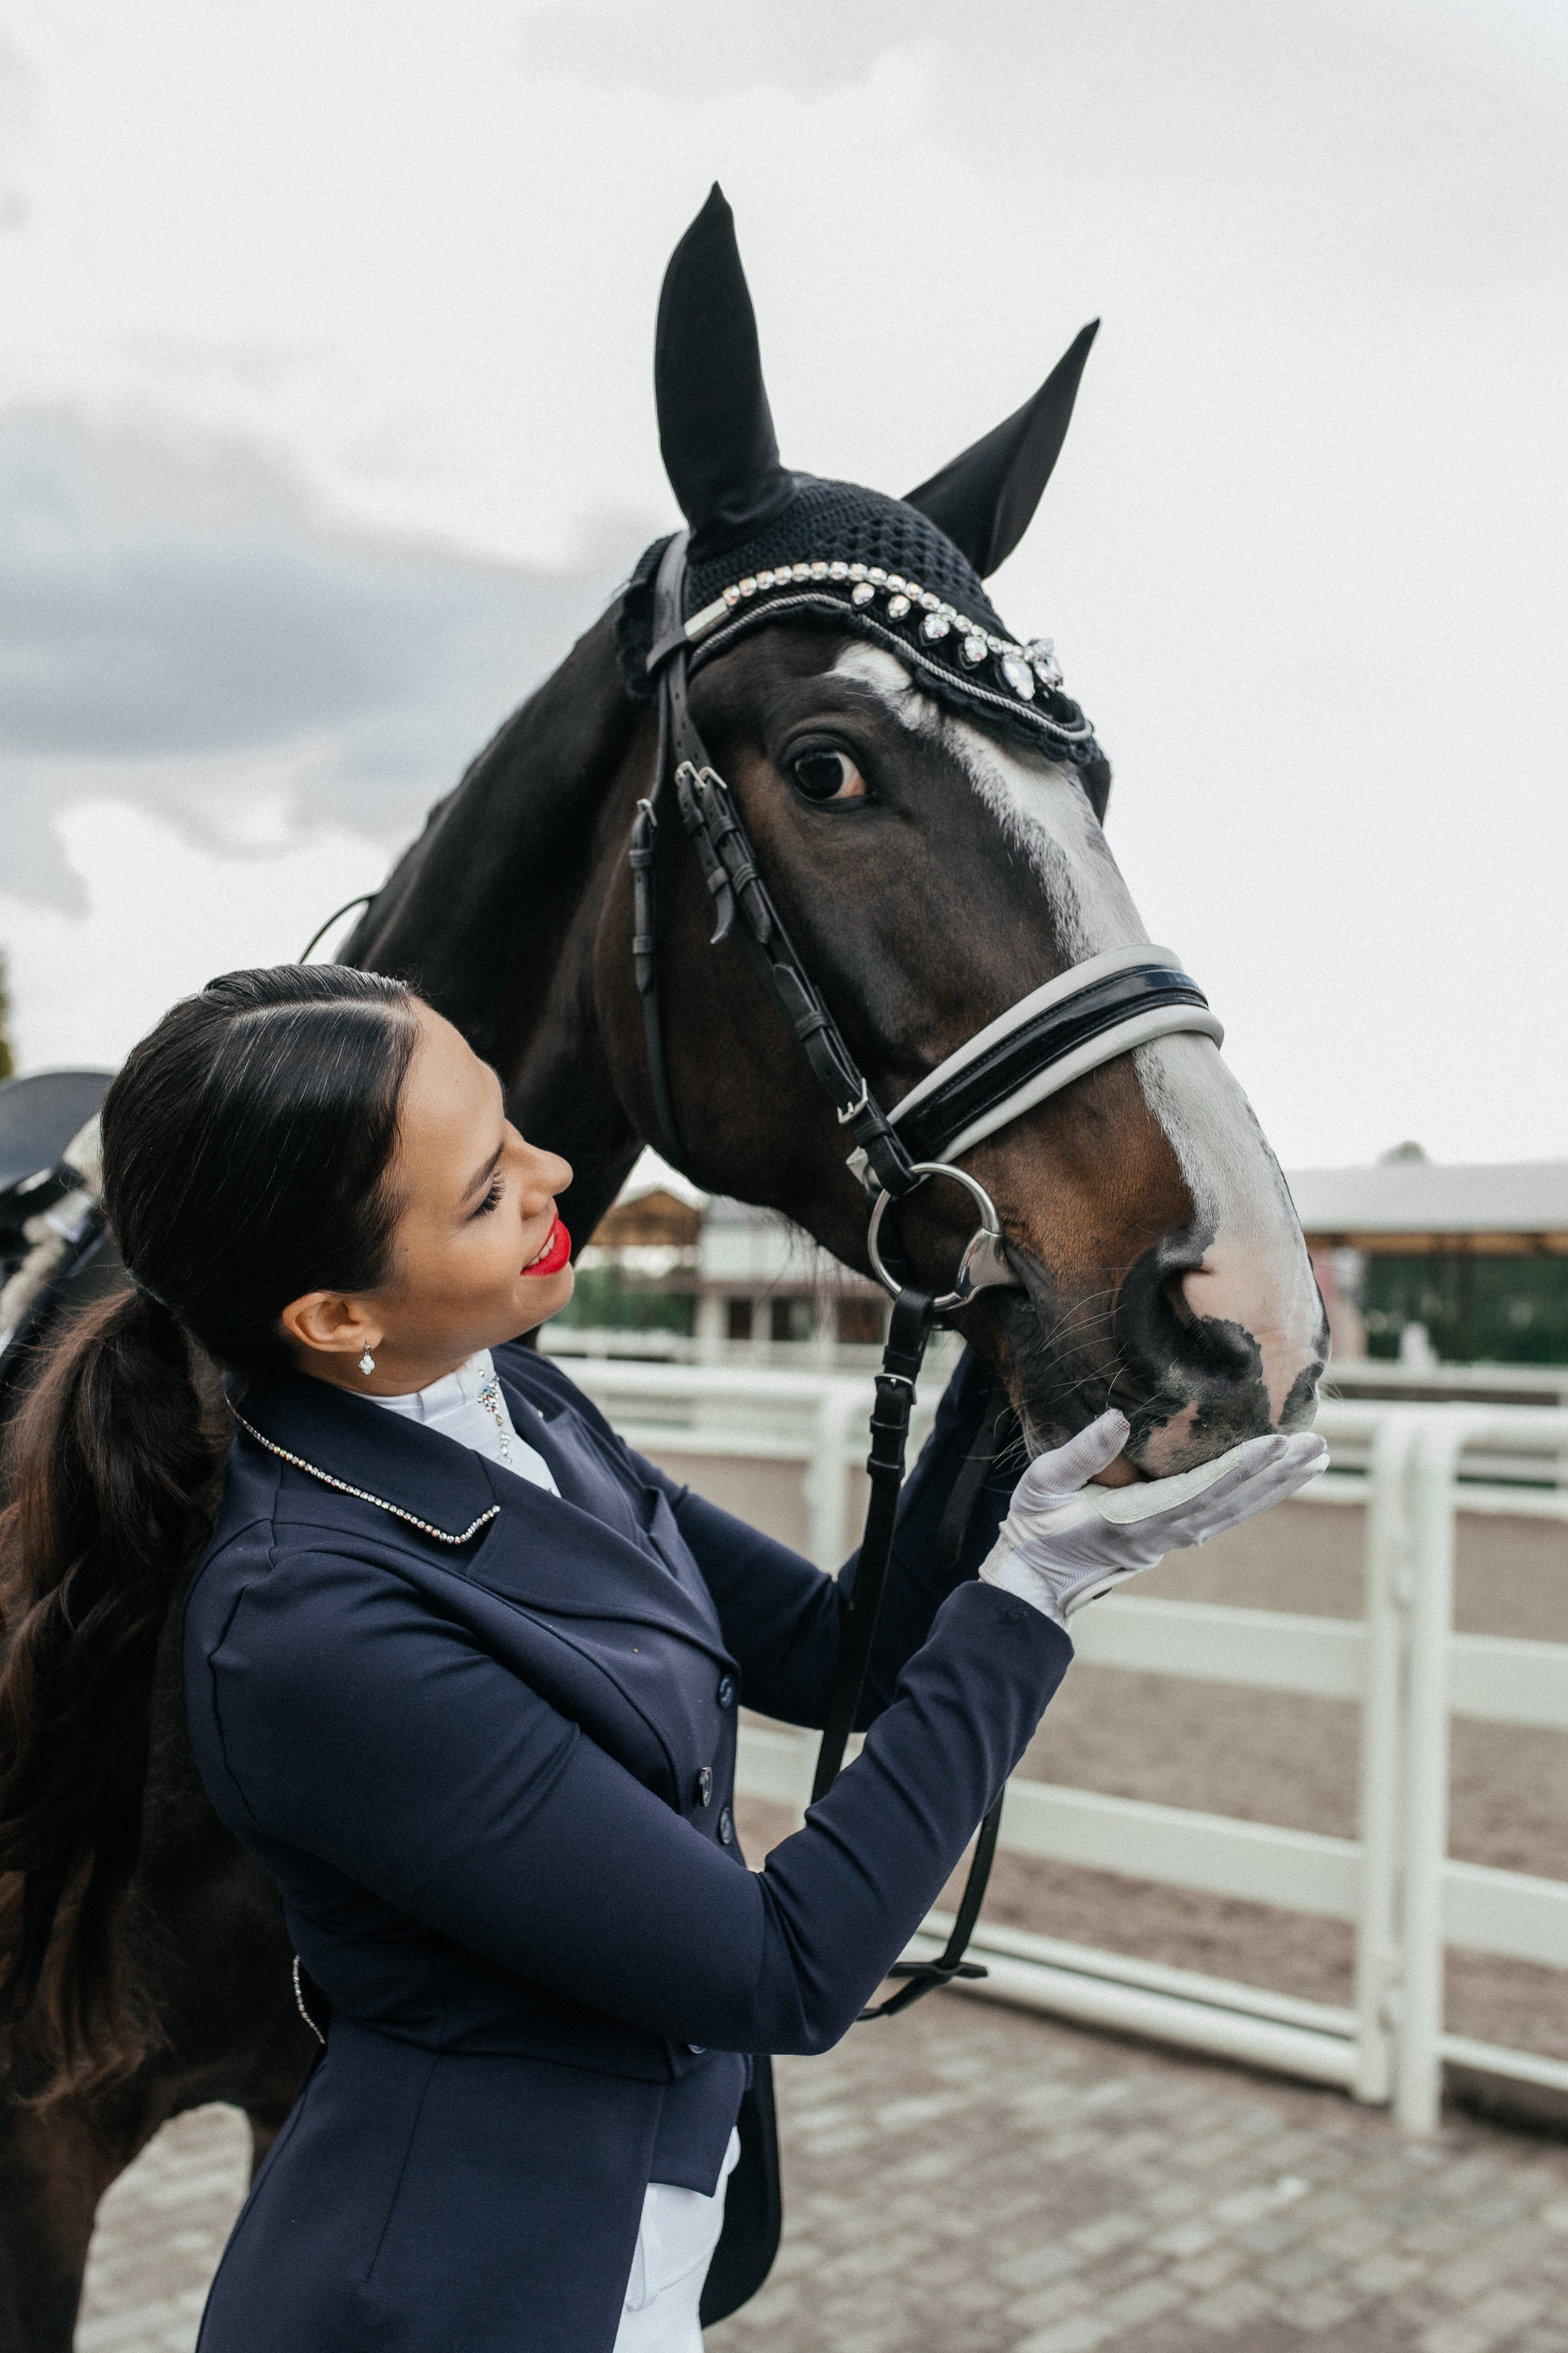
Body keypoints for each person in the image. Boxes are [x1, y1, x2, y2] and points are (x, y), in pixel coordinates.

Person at [0, 966, 1324, 2353]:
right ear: (336, 1317)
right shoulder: (305, 1627)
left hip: (640, 2235)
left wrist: (1014, 1345)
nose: (554, 1173)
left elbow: (831, 1652)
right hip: (460, 2296)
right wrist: (1032, 1595)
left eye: (512, 1128)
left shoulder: (509, 1398)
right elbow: (778, 1968)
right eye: (482, 1190)